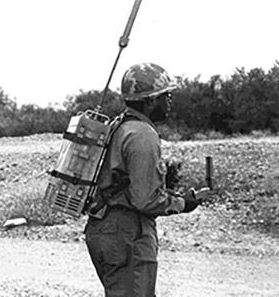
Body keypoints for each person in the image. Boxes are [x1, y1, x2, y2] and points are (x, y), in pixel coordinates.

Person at [84, 63, 203, 297]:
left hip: (105, 229)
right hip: (127, 233)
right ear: (150, 101)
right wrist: (183, 203)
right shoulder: (142, 134)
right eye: (165, 96)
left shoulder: (117, 126)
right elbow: (145, 200)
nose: (169, 102)